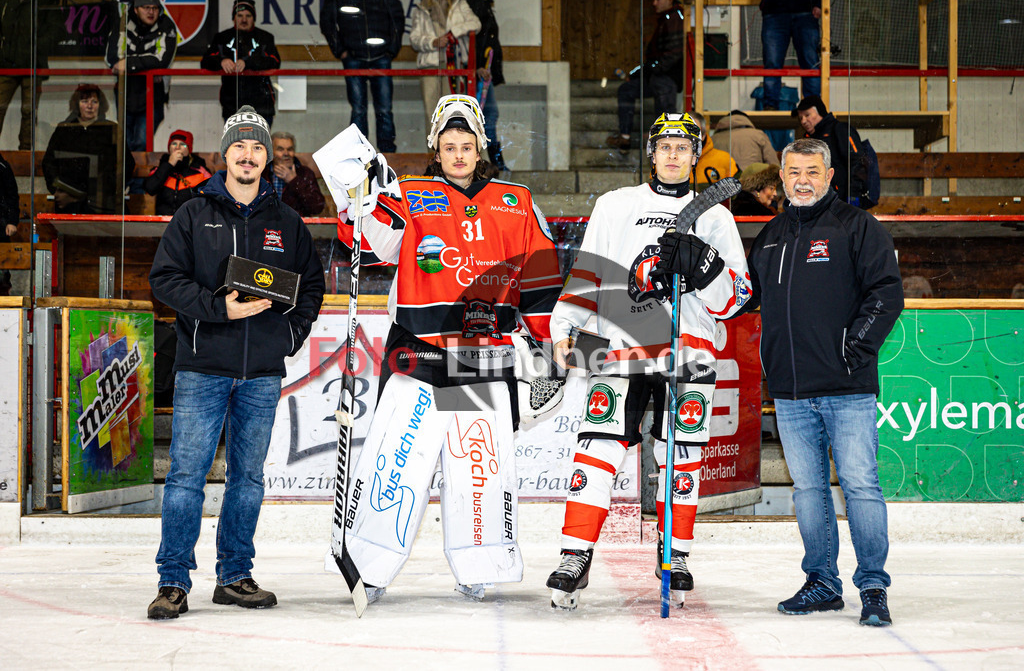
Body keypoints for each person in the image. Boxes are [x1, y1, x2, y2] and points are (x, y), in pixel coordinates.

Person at [331, 94, 561, 603]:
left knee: (480, 467)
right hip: (418, 352)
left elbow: (541, 281)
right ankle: (368, 564)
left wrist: (548, 350)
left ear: (481, 148)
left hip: (483, 357)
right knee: (396, 463)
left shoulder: (516, 201)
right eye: (450, 146)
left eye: (467, 145)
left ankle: (481, 562)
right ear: (436, 148)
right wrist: (358, 205)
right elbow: (369, 246)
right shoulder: (407, 192)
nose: (459, 154)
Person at [545, 113, 751, 610]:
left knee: (683, 453)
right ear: (651, 152)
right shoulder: (616, 205)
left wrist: (706, 269)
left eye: (683, 147)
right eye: (665, 146)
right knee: (598, 447)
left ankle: (674, 553)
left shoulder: (716, 217)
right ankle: (575, 554)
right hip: (623, 345)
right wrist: (564, 327)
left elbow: (738, 297)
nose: (673, 154)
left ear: (696, 156)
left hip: (690, 352)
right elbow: (588, 273)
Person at [146, 105, 325, 620]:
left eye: (257, 147)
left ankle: (234, 575)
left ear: (267, 158)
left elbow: (311, 288)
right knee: (186, 477)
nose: (248, 155)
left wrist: (287, 335)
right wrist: (216, 308)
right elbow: (164, 280)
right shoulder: (193, 213)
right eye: (239, 146)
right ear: (225, 155)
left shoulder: (287, 221)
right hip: (203, 367)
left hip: (261, 374)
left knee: (247, 479)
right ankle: (173, 581)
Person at [745, 138, 902, 626]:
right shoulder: (770, 236)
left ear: (830, 176)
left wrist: (853, 349)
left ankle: (872, 585)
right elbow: (744, 299)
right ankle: (822, 582)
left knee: (860, 486)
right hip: (791, 391)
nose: (803, 181)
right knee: (808, 491)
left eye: (812, 171)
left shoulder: (857, 227)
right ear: (781, 177)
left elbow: (887, 294)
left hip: (847, 387)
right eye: (794, 172)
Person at [320, 0, 404, 153]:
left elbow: (397, 17)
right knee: (358, 109)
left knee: (384, 109)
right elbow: (327, 20)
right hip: (353, 56)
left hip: (381, 55)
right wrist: (341, 50)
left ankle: (388, 153)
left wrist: (391, 50)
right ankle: (359, 153)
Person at [606, 0, 684, 154]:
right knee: (626, 90)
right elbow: (655, 59)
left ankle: (664, 146)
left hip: (666, 78)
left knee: (665, 117)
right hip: (657, 76)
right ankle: (625, 137)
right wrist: (639, 73)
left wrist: (652, 70)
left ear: (669, 0)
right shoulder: (666, 19)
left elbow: (673, 55)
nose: (654, 3)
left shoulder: (675, 19)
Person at [42, 84, 136, 214]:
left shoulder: (112, 129)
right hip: (70, 199)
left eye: (94, 102)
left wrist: (110, 187)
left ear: (100, 105)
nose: (90, 106)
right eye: (85, 101)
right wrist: (59, 189)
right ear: (77, 104)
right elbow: (49, 162)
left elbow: (127, 163)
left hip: (103, 201)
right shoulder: (64, 129)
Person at [104, 0, 177, 152]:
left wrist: (128, 62)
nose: (151, 12)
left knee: (141, 143)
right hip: (125, 94)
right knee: (125, 146)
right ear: (136, 9)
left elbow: (162, 60)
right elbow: (112, 58)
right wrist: (146, 63)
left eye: (155, 8)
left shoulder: (167, 25)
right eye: (146, 7)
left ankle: (140, 172)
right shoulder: (123, 23)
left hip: (153, 95)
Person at [200, 0, 280, 127]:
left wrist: (248, 63)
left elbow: (275, 61)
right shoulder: (221, 38)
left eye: (248, 16)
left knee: (260, 141)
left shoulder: (265, 37)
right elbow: (205, 61)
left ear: (254, 18)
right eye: (240, 15)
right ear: (234, 18)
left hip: (261, 106)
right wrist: (221, 61)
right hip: (232, 107)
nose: (244, 20)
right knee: (235, 141)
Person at [409, 0, 481, 129]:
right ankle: (433, 144)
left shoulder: (459, 3)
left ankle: (454, 143)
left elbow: (476, 23)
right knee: (432, 114)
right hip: (429, 66)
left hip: (454, 64)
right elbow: (414, 39)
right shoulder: (421, 8)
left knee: (455, 112)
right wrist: (433, 42)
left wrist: (453, 32)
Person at [0, 0, 62, 150]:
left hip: (33, 65)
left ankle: (26, 155)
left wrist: (34, 49)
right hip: (5, 65)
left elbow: (55, 31)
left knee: (29, 112)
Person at [463, 0, 507, 170]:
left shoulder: (482, 3)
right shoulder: (473, 2)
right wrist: (476, 67)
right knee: (485, 117)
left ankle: (494, 163)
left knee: (487, 116)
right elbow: (470, 38)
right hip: (477, 72)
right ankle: (494, 164)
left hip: (482, 71)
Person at [794, 95, 866, 204]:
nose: (803, 121)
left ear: (820, 112)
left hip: (842, 200)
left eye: (807, 115)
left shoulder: (840, 129)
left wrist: (853, 196)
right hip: (820, 201)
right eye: (800, 118)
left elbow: (858, 162)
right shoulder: (808, 139)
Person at [760, 0, 821, 111]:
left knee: (810, 63)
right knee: (772, 63)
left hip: (806, 11)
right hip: (774, 11)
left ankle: (813, 107)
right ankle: (770, 107)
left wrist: (820, 3)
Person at [143, 130, 212, 215]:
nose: (177, 147)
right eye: (174, 143)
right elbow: (150, 188)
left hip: (190, 221)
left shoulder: (201, 172)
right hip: (163, 221)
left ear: (189, 149)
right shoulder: (160, 169)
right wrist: (169, 164)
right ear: (169, 148)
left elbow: (212, 196)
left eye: (183, 144)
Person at [260, 131, 325, 218]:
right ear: (271, 152)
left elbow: (317, 207)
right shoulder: (261, 173)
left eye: (290, 149)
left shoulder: (305, 173)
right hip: (266, 224)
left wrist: (294, 180)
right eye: (280, 149)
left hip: (296, 224)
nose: (286, 153)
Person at [712, 110, 778, 172]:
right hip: (752, 178)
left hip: (723, 179)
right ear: (746, 120)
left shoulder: (713, 139)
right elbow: (774, 165)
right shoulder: (758, 135)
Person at [691, 112, 738, 190]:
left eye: (694, 132)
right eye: (684, 132)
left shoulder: (725, 160)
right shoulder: (671, 160)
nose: (689, 136)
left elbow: (737, 192)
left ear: (703, 136)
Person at [0, 149, 17, 294]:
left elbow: (12, 196)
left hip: (0, 223)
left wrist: (12, 221)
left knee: (2, 275)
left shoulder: (3, 166)